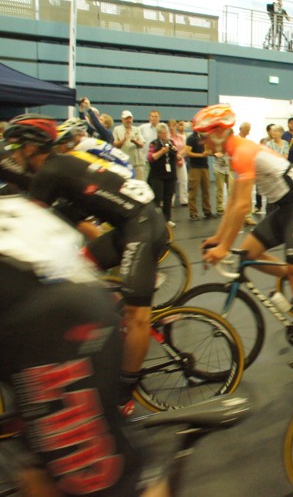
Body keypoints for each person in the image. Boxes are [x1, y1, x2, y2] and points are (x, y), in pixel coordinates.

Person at [4, 114, 169, 415]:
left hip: (143, 227)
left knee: (137, 318)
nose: (12, 154)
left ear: (30, 148)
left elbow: (27, 227)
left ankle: (123, 394)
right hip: (129, 226)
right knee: (76, 270)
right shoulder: (57, 165)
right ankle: (120, 309)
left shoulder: (50, 171)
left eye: (15, 147)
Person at [0, 195, 148, 495]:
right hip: (60, 293)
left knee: (88, 480)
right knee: (36, 470)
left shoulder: (48, 177)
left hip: (55, 317)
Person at [193, 104, 293, 368]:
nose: (201, 141)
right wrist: (219, 238)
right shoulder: (236, 152)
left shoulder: (242, 151)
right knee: (248, 253)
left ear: (218, 133)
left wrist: (224, 246)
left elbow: (244, 206)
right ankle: (292, 276)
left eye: (203, 135)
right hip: (285, 207)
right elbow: (233, 202)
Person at [148, 123, 178, 227]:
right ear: (158, 134)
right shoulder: (154, 144)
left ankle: (167, 219)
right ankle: (155, 220)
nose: (165, 134)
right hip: (157, 175)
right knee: (158, 197)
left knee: (168, 198)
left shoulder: (171, 143)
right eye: (162, 133)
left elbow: (176, 154)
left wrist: (174, 151)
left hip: (170, 175)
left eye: (166, 132)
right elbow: (151, 158)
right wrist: (162, 151)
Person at [184, 128, 215, 220]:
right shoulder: (191, 138)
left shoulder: (205, 138)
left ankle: (207, 211)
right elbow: (187, 152)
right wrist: (201, 155)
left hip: (204, 166)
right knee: (193, 190)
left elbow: (209, 151)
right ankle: (193, 213)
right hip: (195, 167)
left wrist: (209, 153)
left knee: (206, 190)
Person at [113, 110, 146, 180]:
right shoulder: (117, 129)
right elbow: (115, 145)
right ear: (122, 119)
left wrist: (134, 141)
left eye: (130, 118)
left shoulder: (137, 129)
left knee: (139, 182)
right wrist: (124, 139)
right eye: (126, 119)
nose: (128, 120)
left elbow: (142, 144)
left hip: (137, 163)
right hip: (123, 162)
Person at [168, 119, 188, 206]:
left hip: (181, 161)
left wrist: (180, 155)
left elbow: (185, 148)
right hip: (171, 163)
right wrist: (176, 156)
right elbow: (169, 150)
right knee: (172, 182)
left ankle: (184, 200)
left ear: (176, 126)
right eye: (170, 126)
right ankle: (170, 201)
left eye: (173, 126)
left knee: (183, 181)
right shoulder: (167, 138)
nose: (171, 128)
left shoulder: (181, 137)